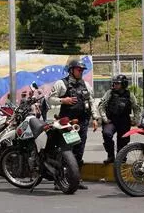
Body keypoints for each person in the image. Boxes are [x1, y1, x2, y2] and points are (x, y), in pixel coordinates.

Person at [49, 59, 99, 190]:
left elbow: (91, 101)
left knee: (79, 151)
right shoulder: (61, 84)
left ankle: (76, 179)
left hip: (82, 123)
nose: (81, 72)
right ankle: (59, 180)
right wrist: (63, 100)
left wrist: (95, 118)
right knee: (65, 151)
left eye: (82, 70)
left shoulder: (86, 85)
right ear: (71, 70)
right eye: (79, 70)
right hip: (66, 123)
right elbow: (49, 99)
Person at [97, 74, 141, 165]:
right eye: (114, 83)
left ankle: (121, 158)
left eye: (118, 83)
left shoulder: (130, 95)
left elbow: (136, 108)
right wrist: (105, 119)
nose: (115, 85)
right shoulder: (109, 93)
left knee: (123, 140)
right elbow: (101, 106)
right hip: (111, 120)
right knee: (107, 134)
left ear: (124, 84)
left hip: (124, 120)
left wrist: (136, 120)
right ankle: (111, 156)